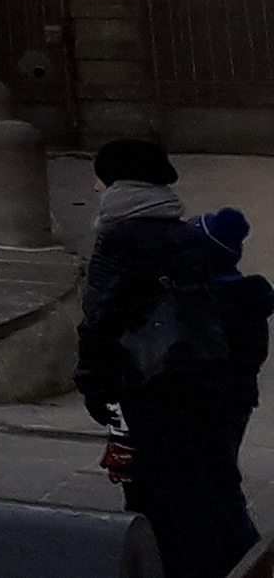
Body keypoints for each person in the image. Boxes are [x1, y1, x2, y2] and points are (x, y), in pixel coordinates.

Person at [77, 137, 274, 578]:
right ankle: (240, 567)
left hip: (151, 388)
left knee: (164, 496)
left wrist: (92, 384)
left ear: (118, 184)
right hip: (206, 382)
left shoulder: (120, 240)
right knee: (207, 489)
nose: (94, 187)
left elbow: (101, 320)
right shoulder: (185, 234)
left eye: (100, 178)